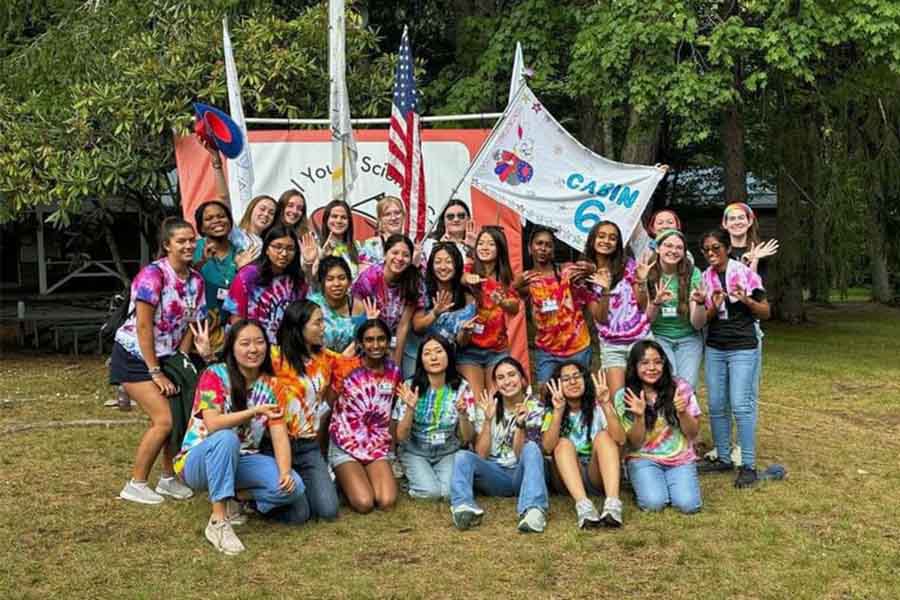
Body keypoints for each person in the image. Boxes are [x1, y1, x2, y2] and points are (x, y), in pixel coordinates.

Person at [175, 320, 307, 555]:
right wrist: (254, 411)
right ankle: (218, 522)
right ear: (232, 348)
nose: (253, 349)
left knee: (294, 487)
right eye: (245, 343)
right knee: (226, 438)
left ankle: (235, 497)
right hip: (198, 460)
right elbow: (213, 423)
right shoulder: (213, 375)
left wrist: (285, 471)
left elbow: (279, 435)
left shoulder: (272, 384)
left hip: (242, 458)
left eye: (259, 342)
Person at [111, 217, 209, 505]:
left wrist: (180, 360)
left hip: (169, 355)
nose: (189, 245)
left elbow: (192, 323)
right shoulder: (152, 276)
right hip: (135, 355)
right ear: (167, 245)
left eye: (192, 240)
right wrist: (156, 372)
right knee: (164, 420)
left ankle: (169, 477)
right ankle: (136, 483)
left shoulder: (196, 281)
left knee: (180, 415)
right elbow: (143, 327)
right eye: (181, 240)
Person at [697, 229, 770, 488]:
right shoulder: (705, 278)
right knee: (716, 405)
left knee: (741, 405)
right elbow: (702, 320)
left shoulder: (745, 273)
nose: (711, 253)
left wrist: (746, 300)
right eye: (706, 250)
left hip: (743, 346)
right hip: (716, 346)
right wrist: (712, 308)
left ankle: (748, 465)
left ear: (727, 248)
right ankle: (723, 457)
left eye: (716, 248)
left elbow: (766, 311)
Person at [449, 358, 549, 533]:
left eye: (512, 375)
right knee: (462, 456)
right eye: (501, 377)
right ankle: (463, 507)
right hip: (496, 474)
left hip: (522, 474)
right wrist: (488, 420)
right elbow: (481, 454)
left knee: (532, 448)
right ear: (495, 383)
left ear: (523, 379)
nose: (507, 381)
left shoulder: (537, 408)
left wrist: (520, 425)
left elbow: (521, 456)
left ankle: (534, 510)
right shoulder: (489, 406)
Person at [608, 340, 702, 514]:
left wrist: (682, 413)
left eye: (657, 362)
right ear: (634, 366)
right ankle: (642, 478)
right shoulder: (625, 396)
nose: (652, 368)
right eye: (644, 363)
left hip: (679, 457)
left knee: (689, 505)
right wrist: (639, 417)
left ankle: (667, 481)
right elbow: (634, 444)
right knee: (654, 504)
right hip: (643, 457)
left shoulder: (680, 387)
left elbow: (693, 432)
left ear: (664, 364)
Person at [268, 301, 341, 521]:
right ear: (299, 326)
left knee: (328, 511)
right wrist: (208, 357)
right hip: (276, 446)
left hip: (308, 446)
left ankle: (305, 483)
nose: (323, 327)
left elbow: (355, 363)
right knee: (299, 515)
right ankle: (252, 497)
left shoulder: (325, 358)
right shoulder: (273, 357)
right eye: (317, 322)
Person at [328, 319, 401, 513]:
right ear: (360, 343)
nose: (375, 345)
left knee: (386, 501)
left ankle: (362, 477)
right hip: (346, 444)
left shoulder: (394, 371)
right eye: (369, 340)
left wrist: (391, 450)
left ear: (388, 342)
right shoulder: (347, 368)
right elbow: (328, 404)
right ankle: (343, 481)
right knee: (364, 503)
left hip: (376, 446)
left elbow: (391, 411)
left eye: (381, 339)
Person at [393, 335, 476, 500]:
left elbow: (467, 438)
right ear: (421, 360)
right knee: (430, 493)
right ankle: (415, 479)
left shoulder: (462, 387)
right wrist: (410, 409)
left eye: (439, 351)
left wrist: (463, 415)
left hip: (448, 451)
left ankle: (428, 477)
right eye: (427, 353)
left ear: (448, 356)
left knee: (449, 494)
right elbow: (400, 436)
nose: (433, 357)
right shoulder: (410, 387)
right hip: (415, 450)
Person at [541, 362, 623, 528]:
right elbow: (547, 448)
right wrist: (558, 411)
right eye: (566, 379)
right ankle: (584, 507)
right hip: (567, 476)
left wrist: (606, 404)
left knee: (604, 437)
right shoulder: (551, 412)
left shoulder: (598, 406)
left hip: (596, 473)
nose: (573, 382)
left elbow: (620, 439)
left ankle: (613, 505)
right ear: (557, 385)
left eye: (577, 376)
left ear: (585, 380)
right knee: (562, 443)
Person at [582, 220, 654, 401]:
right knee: (618, 402)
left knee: (649, 398)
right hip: (612, 346)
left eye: (613, 238)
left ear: (618, 244)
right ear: (592, 240)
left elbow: (642, 304)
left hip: (641, 339)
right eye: (602, 236)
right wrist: (605, 290)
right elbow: (601, 318)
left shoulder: (628, 265)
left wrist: (642, 281)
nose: (607, 241)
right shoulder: (585, 277)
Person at [514, 226, 593, 386]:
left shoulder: (567, 270)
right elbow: (510, 292)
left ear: (553, 250)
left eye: (548, 245)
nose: (543, 248)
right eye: (539, 243)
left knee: (580, 393)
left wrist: (592, 268)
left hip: (577, 346)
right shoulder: (527, 278)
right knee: (545, 394)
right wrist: (517, 285)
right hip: (547, 350)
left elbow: (592, 269)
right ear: (530, 248)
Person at [458, 226, 520, 404]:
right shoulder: (469, 268)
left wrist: (502, 302)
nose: (484, 247)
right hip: (469, 349)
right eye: (481, 243)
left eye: (491, 244)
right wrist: (466, 279)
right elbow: (457, 277)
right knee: (477, 403)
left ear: (499, 248)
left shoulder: (506, 278)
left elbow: (514, 307)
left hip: (497, 350)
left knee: (495, 402)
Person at [645, 229, 707, 389]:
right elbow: (646, 321)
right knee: (667, 382)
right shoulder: (648, 273)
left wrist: (700, 303)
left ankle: (682, 414)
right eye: (668, 246)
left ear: (684, 252)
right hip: (659, 336)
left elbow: (698, 324)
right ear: (658, 248)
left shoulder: (693, 274)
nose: (673, 251)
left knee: (687, 387)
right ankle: (665, 414)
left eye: (679, 248)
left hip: (689, 338)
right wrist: (656, 302)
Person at [224, 225, 308, 344]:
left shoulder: (298, 281)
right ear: (267, 249)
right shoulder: (248, 276)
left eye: (290, 249)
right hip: (248, 344)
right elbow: (236, 318)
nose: (284, 253)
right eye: (278, 247)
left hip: (284, 347)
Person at [193, 200, 256, 354]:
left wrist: (241, 270)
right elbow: (181, 281)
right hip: (197, 332)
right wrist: (201, 262)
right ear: (201, 227)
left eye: (221, 216)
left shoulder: (242, 252)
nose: (216, 221)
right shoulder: (193, 249)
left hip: (230, 333)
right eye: (209, 218)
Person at [351, 234, 425, 367]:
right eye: (395, 252)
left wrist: (396, 367)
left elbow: (403, 326)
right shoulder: (369, 278)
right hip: (367, 337)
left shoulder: (414, 282)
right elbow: (356, 321)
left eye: (405, 255)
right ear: (385, 254)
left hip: (394, 340)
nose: (400, 258)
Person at [412, 242, 477, 348]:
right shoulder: (423, 289)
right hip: (421, 352)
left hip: (454, 355)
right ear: (431, 266)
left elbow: (461, 343)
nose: (443, 267)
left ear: (457, 265)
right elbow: (417, 327)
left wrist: (464, 332)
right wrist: (434, 314)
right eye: (437, 262)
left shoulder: (467, 296)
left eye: (449, 262)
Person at [307, 256, 376, 356]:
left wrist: (371, 325)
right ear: (322, 283)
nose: (336, 284)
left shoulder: (360, 307)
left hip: (352, 364)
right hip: (319, 365)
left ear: (349, 282)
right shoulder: (312, 305)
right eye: (330, 279)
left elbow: (365, 344)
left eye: (342, 278)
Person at [722, 202, 779, 279]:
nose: (737, 222)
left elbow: (756, 288)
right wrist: (743, 264)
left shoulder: (760, 254)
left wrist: (755, 261)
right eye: (732, 219)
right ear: (725, 224)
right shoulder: (719, 253)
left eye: (741, 218)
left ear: (750, 222)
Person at [421, 199, 478, 266]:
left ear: (468, 219)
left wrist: (476, 248)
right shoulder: (429, 243)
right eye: (450, 216)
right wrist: (440, 247)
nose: (456, 219)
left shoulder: (476, 244)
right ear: (443, 220)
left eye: (461, 216)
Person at [357, 195, 407, 267]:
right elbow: (366, 275)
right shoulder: (370, 246)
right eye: (387, 214)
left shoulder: (412, 245)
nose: (393, 218)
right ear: (380, 219)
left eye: (397, 213)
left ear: (403, 215)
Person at [317, 199, 361, 279]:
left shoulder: (357, 246)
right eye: (334, 216)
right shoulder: (317, 246)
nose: (339, 220)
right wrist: (321, 258)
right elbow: (312, 279)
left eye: (343, 217)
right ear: (326, 219)